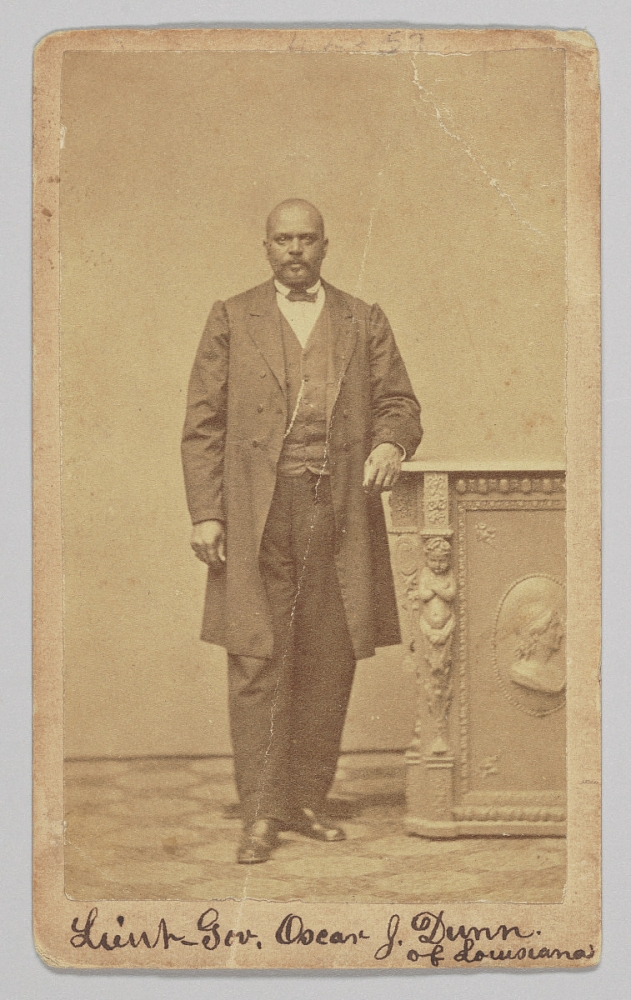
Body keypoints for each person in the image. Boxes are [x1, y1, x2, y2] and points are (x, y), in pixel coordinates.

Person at [181, 199, 422, 863]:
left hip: (337, 511)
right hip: (259, 515)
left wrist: (390, 445)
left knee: (328, 654)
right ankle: (260, 814)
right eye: (283, 239)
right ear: (265, 247)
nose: (295, 250)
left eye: (306, 239)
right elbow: (202, 423)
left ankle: (308, 799)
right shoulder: (231, 317)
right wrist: (206, 511)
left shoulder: (361, 319)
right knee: (258, 658)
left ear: (325, 246)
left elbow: (400, 403)